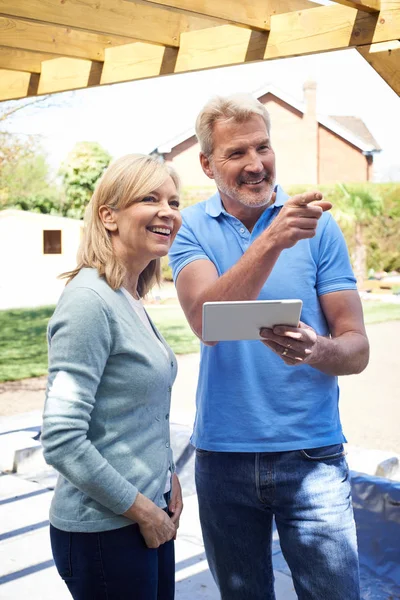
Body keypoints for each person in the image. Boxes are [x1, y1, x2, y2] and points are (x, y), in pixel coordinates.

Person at [168, 94, 369, 600]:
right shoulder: (188, 226)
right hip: (223, 457)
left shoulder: (317, 226)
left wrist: (315, 350)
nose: (256, 164)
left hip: (312, 456)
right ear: (207, 163)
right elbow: (206, 322)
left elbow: (357, 349)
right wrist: (271, 241)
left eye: (263, 147)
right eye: (236, 153)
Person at [41, 154, 183, 600]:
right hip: (106, 530)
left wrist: (167, 476)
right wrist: (144, 510)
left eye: (174, 201)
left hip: (146, 514)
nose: (168, 211)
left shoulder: (128, 295)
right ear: (109, 216)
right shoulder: (89, 301)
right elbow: (62, 438)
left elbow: (134, 411)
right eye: (150, 198)